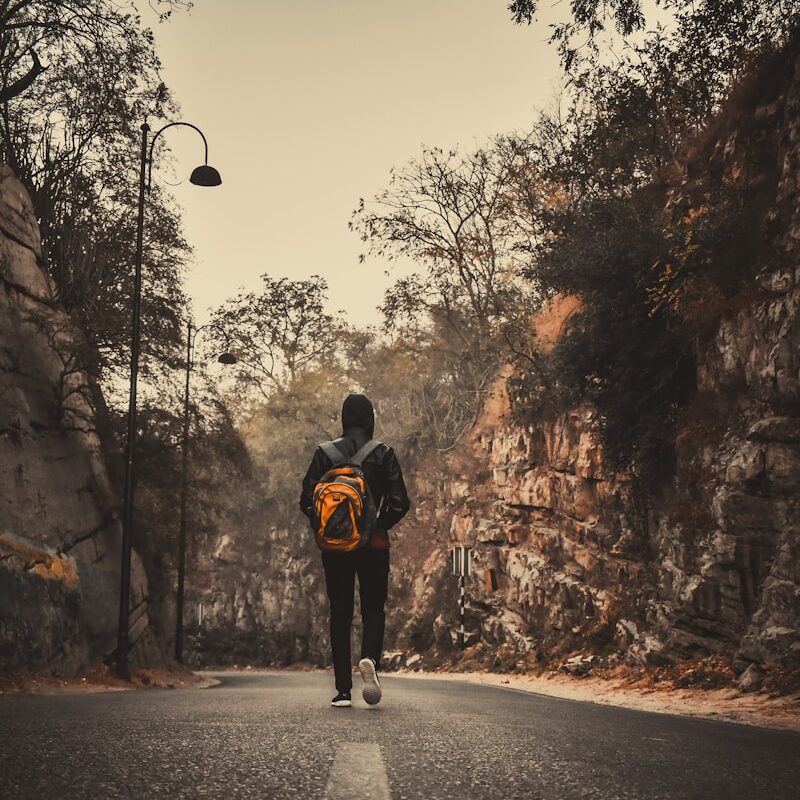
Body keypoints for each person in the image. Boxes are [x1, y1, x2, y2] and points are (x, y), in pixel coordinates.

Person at [299, 393, 410, 708]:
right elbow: (401, 502)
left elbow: (306, 501)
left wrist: (327, 528)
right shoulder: (383, 454)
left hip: (335, 547)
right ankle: (370, 661)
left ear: (344, 419)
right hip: (373, 545)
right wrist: (377, 526)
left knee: (340, 613)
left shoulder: (324, 454)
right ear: (371, 419)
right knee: (374, 608)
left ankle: (343, 691)